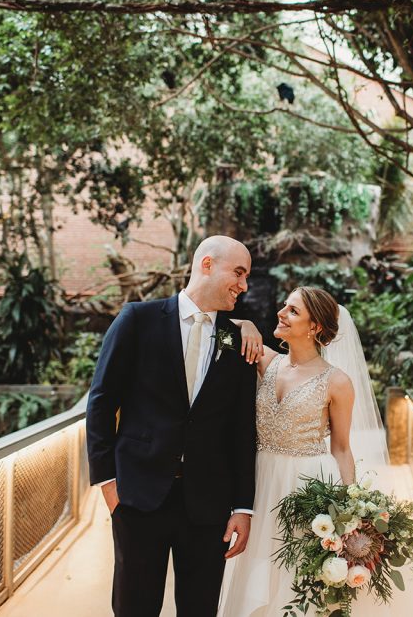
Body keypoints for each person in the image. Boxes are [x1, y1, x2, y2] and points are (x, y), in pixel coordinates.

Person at [220, 286, 413, 617]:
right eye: (285, 306)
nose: (281, 313)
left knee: (297, 574)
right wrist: (244, 325)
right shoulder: (265, 361)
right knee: (257, 572)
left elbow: (340, 448)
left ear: (315, 328)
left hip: (304, 489)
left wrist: (350, 514)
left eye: (293, 311)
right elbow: (217, 332)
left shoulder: (337, 382)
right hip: (260, 484)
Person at [86, 235, 261, 617]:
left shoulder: (238, 339)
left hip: (208, 504)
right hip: (138, 497)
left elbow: (241, 431)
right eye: (239, 272)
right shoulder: (137, 319)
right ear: (207, 264)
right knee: (134, 606)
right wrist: (109, 485)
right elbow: (101, 403)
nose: (244, 285)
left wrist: (243, 507)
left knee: (200, 609)